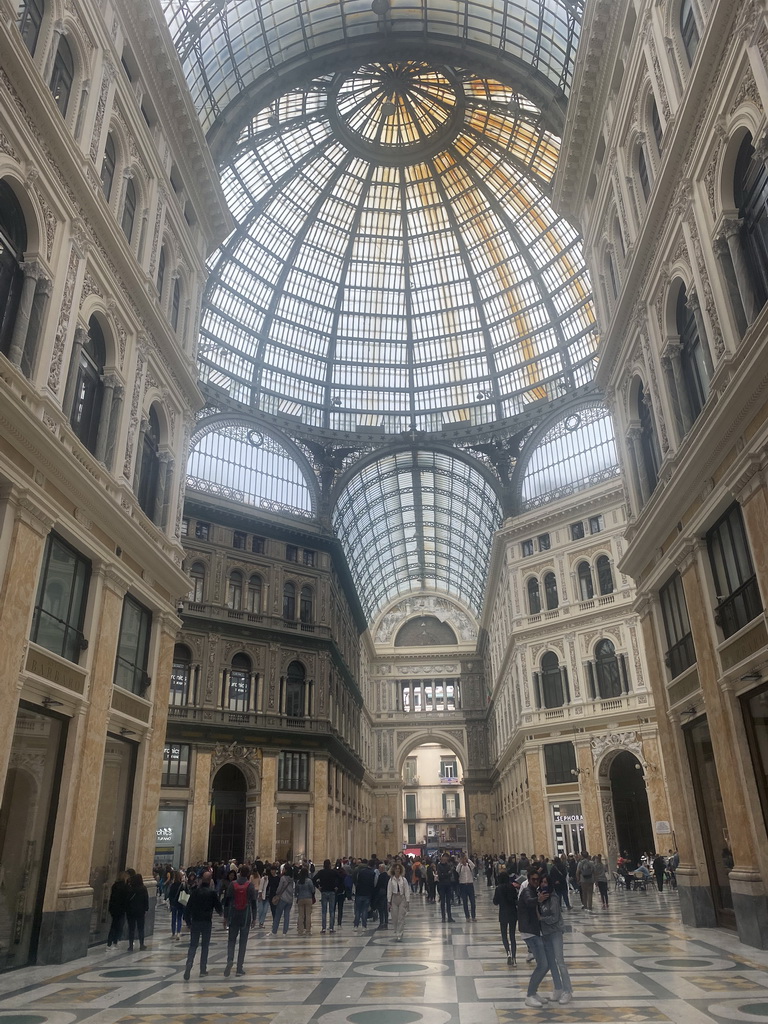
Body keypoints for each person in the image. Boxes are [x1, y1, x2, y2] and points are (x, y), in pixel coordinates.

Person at [517, 868, 552, 1007]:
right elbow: (529, 901)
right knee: (543, 964)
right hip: (529, 932)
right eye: (533, 879)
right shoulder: (526, 890)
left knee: (545, 964)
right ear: (528, 879)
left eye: (538, 879)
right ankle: (530, 995)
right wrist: (538, 899)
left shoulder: (534, 890)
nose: (536, 882)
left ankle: (534, 992)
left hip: (534, 931)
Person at [538, 875, 572, 1004]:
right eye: (542, 882)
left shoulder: (554, 898)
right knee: (551, 962)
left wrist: (541, 919)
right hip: (545, 933)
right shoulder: (540, 897)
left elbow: (555, 917)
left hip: (555, 932)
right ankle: (558, 987)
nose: (543, 884)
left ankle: (567, 990)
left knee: (560, 961)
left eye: (546, 882)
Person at [183, 870, 223, 979]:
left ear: (201, 880)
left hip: (195, 921)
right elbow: (218, 908)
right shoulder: (212, 893)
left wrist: (188, 922)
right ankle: (202, 969)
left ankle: (189, 963)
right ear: (210, 881)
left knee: (193, 945)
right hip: (206, 922)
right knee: (205, 946)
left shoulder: (195, 892)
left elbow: (188, 908)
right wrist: (222, 914)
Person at [222, 864, 257, 976]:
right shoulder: (250, 885)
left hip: (233, 914)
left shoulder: (233, 884)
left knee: (231, 940)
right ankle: (239, 968)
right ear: (248, 874)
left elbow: (227, 902)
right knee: (243, 942)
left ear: (239, 873)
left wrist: (225, 917)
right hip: (245, 916)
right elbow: (254, 903)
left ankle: (230, 960)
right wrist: (254, 918)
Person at [493, 870, 518, 966]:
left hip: (503, 913)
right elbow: (516, 899)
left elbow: (495, 902)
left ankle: (508, 952)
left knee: (504, 934)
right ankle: (514, 958)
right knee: (512, 935)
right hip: (512, 913)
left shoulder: (498, 888)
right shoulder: (512, 887)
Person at [314, 859, 339, 934]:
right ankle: (331, 928)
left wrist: (318, 887)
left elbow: (313, 879)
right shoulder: (333, 872)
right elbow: (340, 878)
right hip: (331, 892)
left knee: (324, 911)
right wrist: (336, 886)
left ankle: (324, 928)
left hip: (324, 892)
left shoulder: (321, 872)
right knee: (332, 911)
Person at [126, 872, 149, 951]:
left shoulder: (130, 888)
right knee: (140, 928)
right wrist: (146, 908)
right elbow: (146, 899)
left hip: (131, 911)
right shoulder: (143, 888)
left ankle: (130, 946)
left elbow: (127, 900)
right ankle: (141, 944)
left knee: (131, 929)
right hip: (140, 911)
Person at [387, 862, 410, 941]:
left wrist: (407, 900)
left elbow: (407, 890)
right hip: (394, 898)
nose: (397, 870)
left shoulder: (403, 880)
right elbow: (389, 890)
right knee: (395, 917)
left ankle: (399, 933)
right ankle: (396, 929)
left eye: (398, 869)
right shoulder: (391, 880)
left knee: (401, 916)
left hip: (402, 898)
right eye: (396, 869)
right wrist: (388, 901)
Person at [106, 871, 129, 948]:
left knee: (113, 925)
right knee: (119, 925)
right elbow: (126, 898)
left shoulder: (114, 885)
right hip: (121, 908)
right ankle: (115, 941)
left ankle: (109, 943)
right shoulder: (125, 887)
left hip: (113, 908)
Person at [270, 865, 294, 935]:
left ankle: (274, 931)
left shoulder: (283, 878)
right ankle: (285, 932)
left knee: (278, 915)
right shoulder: (291, 879)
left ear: (285, 870)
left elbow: (279, 889)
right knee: (287, 915)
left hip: (283, 898)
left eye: (283, 869)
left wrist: (277, 893)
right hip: (290, 899)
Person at [353, 859, 376, 930]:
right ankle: (364, 926)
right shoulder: (372, 873)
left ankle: (356, 926)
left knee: (357, 910)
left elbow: (357, 881)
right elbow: (373, 884)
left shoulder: (360, 872)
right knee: (364, 910)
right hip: (367, 893)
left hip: (359, 893)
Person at [295, 867, 315, 937]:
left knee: (301, 916)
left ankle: (300, 931)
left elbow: (296, 891)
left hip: (300, 899)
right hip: (308, 898)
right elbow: (312, 890)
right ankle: (308, 931)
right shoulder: (309, 881)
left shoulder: (298, 881)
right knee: (308, 915)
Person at [167, 870, 186, 941]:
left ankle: (173, 933)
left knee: (173, 918)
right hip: (180, 903)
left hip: (174, 903)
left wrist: (171, 902)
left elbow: (170, 895)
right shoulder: (182, 885)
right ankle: (178, 932)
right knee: (179, 918)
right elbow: (185, 894)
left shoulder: (172, 885)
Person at [436, 853, 456, 923]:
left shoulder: (448, 865)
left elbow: (450, 874)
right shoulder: (439, 865)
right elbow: (440, 875)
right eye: (444, 857)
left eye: (446, 857)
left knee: (448, 902)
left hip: (448, 885)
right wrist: (447, 873)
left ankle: (449, 917)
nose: (445, 859)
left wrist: (446, 874)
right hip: (441, 885)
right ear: (441, 858)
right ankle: (443, 917)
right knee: (443, 902)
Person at [457, 853, 476, 920]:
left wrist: (467, 859)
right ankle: (467, 916)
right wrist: (460, 862)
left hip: (470, 885)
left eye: (464, 859)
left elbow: (473, 865)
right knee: (465, 902)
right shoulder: (460, 866)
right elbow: (457, 870)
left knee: (473, 902)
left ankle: (473, 916)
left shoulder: (469, 865)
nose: (464, 860)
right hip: (463, 885)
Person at [373, 863, 390, 930]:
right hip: (386, 894)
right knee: (385, 909)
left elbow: (378, 885)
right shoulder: (388, 876)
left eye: (379, 868)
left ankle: (381, 922)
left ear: (382, 868)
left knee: (381, 909)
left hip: (381, 895)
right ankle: (386, 922)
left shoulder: (381, 876)